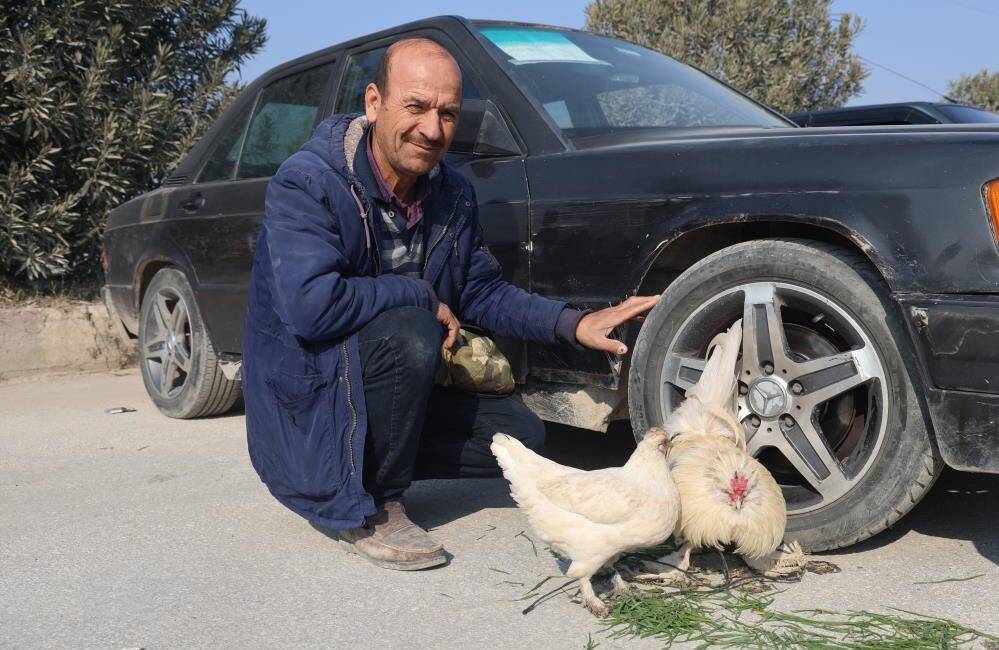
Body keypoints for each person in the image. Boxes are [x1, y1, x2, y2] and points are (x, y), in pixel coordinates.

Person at [243, 37, 657, 571]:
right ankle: (377, 504)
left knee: (519, 436)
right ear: (375, 103)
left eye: (447, 113)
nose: (433, 130)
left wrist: (573, 323)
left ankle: (363, 460)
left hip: (382, 386)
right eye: (415, 107)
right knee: (412, 330)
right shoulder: (309, 183)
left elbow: (481, 290)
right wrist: (418, 293)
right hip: (316, 394)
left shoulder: (451, 194)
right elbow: (311, 306)